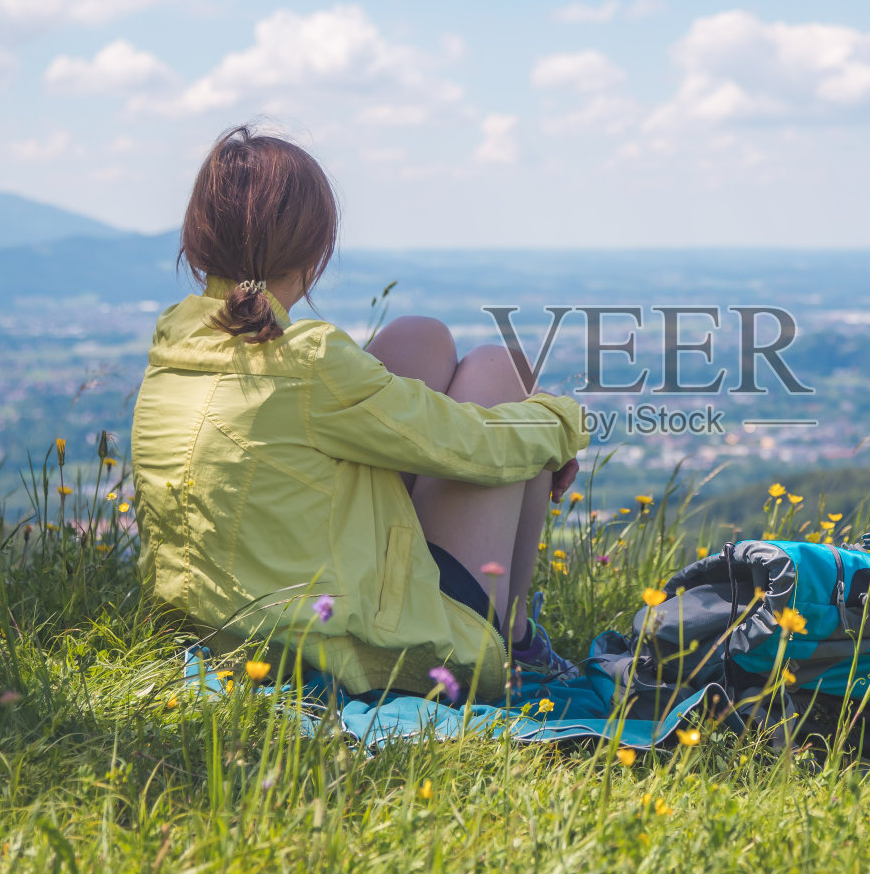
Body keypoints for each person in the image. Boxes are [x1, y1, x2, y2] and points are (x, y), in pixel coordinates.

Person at [130, 125, 588, 701]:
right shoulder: (307, 362)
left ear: (197, 241)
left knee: (418, 338)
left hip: (218, 631)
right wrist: (563, 425)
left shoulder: (173, 346)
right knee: (501, 368)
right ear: (315, 250)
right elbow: (480, 447)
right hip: (348, 648)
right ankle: (517, 649)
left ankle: (516, 638)